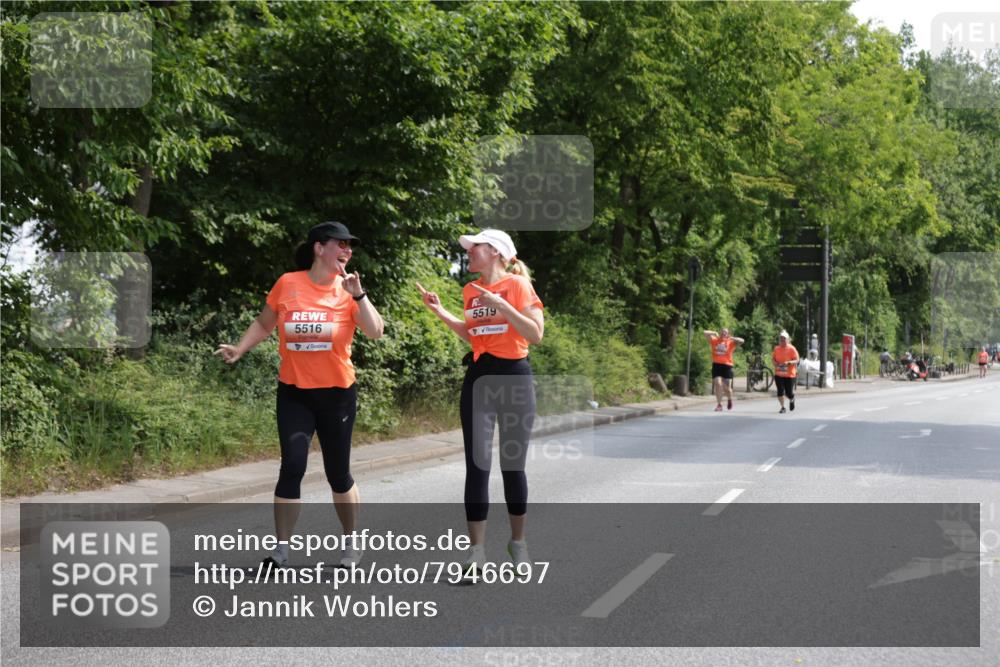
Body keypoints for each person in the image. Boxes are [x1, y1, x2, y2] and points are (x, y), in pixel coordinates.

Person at [215, 221, 384, 570]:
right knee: (292, 466)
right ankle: (281, 551)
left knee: (338, 474)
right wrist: (240, 349)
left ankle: (352, 544)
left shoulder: (349, 290)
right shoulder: (288, 284)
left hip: (337, 394)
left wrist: (359, 295)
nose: (347, 250)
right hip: (294, 392)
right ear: (319, 248)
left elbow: (375, 332)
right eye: (341, 243)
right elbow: (265, 323)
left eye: (350, 245)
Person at [417, 229, 543, 578]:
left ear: (497, 253)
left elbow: (535, 334)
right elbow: (474, 333)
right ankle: (477, 552)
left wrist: (504, 305)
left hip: (515, 378)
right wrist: (440, 310)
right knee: (478, 465)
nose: (469, 252)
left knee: (512, 467)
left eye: (476, 247)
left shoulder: (518, 286)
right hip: (479, 380)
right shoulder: (470, 291)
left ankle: (518, 543)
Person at [703, 328, 744, 411]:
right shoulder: (715, 340)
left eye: (725, 333)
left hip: (727, 366)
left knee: (727, 388)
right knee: (718, 384)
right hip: (716, 365)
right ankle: (719, 404)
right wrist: (714, 332)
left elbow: (742, 341)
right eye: (722, 332)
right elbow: (705, 333)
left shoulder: (731, 343)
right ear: (720, 333)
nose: (723, 334)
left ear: (727, 334)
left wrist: (732, 338)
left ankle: (729, 399)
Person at [772, 330, 800, 414]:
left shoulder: (792, 349)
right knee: (780, 391)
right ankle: (782, 407)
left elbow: (797, 360)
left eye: (784, 339)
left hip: (790, 375)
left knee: (789, 392)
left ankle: (792, 398)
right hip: (779, 373)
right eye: (781, 339)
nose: (782, 341)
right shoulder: (776, 348)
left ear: (787, 340)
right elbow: (773, 359)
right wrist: (775, 363)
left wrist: (789, 363)